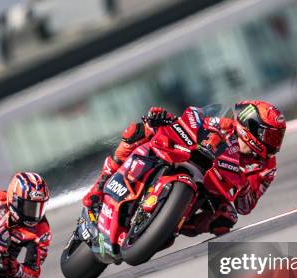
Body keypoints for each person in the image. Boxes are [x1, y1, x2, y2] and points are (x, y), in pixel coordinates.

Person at [82, 100, 286, 236]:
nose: (274, 144)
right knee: (140, 130)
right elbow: (192, 123)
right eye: (270, 136)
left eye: (278, 137)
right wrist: (165, 120)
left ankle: (166, 226)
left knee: (225, 219)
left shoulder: (266, 167)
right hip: (189, 159)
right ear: (250, 126)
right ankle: (99, 187)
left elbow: (246, 207)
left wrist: (241, 186)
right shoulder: (224, 124)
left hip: (212, 191)